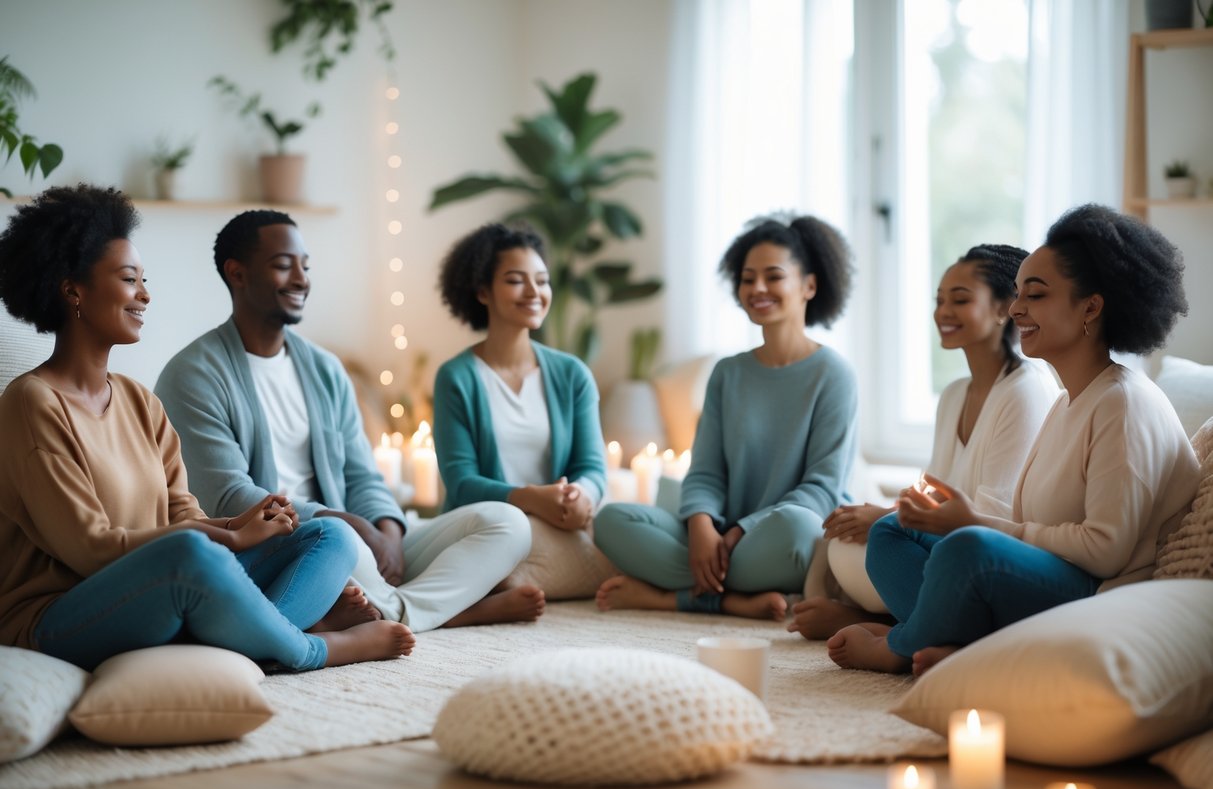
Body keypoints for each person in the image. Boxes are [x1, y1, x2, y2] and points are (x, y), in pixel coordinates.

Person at [0, 185, 412, 672]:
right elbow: (89, 550)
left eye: (144, 280)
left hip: (170, 584)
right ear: (73, 289)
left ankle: (254, 639)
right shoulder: (32, 403)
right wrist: (229, 540)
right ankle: (308, 648)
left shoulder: (140, 401)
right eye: (129, 279)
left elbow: (182, 515)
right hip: (61, 614)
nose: (145, 294)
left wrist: (244, 525)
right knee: (195, 554)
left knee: (330, 538)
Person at [828, 204, 1200, 676]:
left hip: (1102, 596)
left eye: (1036, 295)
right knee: (894, 530)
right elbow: (1029, 523)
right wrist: (959, 517)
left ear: (1091, 306)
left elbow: (1106, 551)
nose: (1017, 308)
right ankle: (957, 642)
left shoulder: (1122, 402)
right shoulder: (1069, 402)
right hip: (1052, 578)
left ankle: (901, 645)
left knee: (969, 549)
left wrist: (975, 524)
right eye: (1018, 294)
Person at [156, 211, 540, 633]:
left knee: (506, 523)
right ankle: (452, 610)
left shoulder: (325, 368)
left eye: (306, 265)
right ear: (238, 274)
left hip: (354, 537)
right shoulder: (192, 375)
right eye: (284, 265)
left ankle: (403, 610)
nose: (302, 279)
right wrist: (354, 525)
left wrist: (389, 532)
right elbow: (230, 498)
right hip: (289, 545)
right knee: (339, 540)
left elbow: (363, 474)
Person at [593, 214, 859, 620]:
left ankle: (674, 597)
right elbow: (705, 471)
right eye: (747, 278)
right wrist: (701, 526)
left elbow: (821, 490)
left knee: (799, 527)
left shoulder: (833, 374)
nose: (757, 288)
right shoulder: (728, 373)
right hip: (722, 539)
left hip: (777, 539)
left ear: (809, 284)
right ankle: (735, 600)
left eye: (773, 276)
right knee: (612, 519)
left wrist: (738, 532)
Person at [789, 244, 1059, 639]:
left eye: (960, 300)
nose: (943, 312)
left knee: (883, 541)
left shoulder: (1026, 390)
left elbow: (995, 518)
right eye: (939, 300)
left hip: (987, 555)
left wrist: (885, 519)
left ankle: (893, 627)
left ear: (1005, 308)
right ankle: (914, 622)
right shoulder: (953, 395)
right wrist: (886, 514)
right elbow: (927, 493)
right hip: (941, 545)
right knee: (842, 546)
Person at [432, 223, 609, 595]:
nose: (534, 292)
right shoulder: (456, 377)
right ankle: (507, 583)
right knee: (511, 529)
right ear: (482, 291)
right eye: (516, 280)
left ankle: (504, 585)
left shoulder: (571, 374)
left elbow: (592, 467)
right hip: (488, 525)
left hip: (556, 525)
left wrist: (581, 496)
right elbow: (462, 483)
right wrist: (531, 498)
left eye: (542, 281)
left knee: (623, 527)